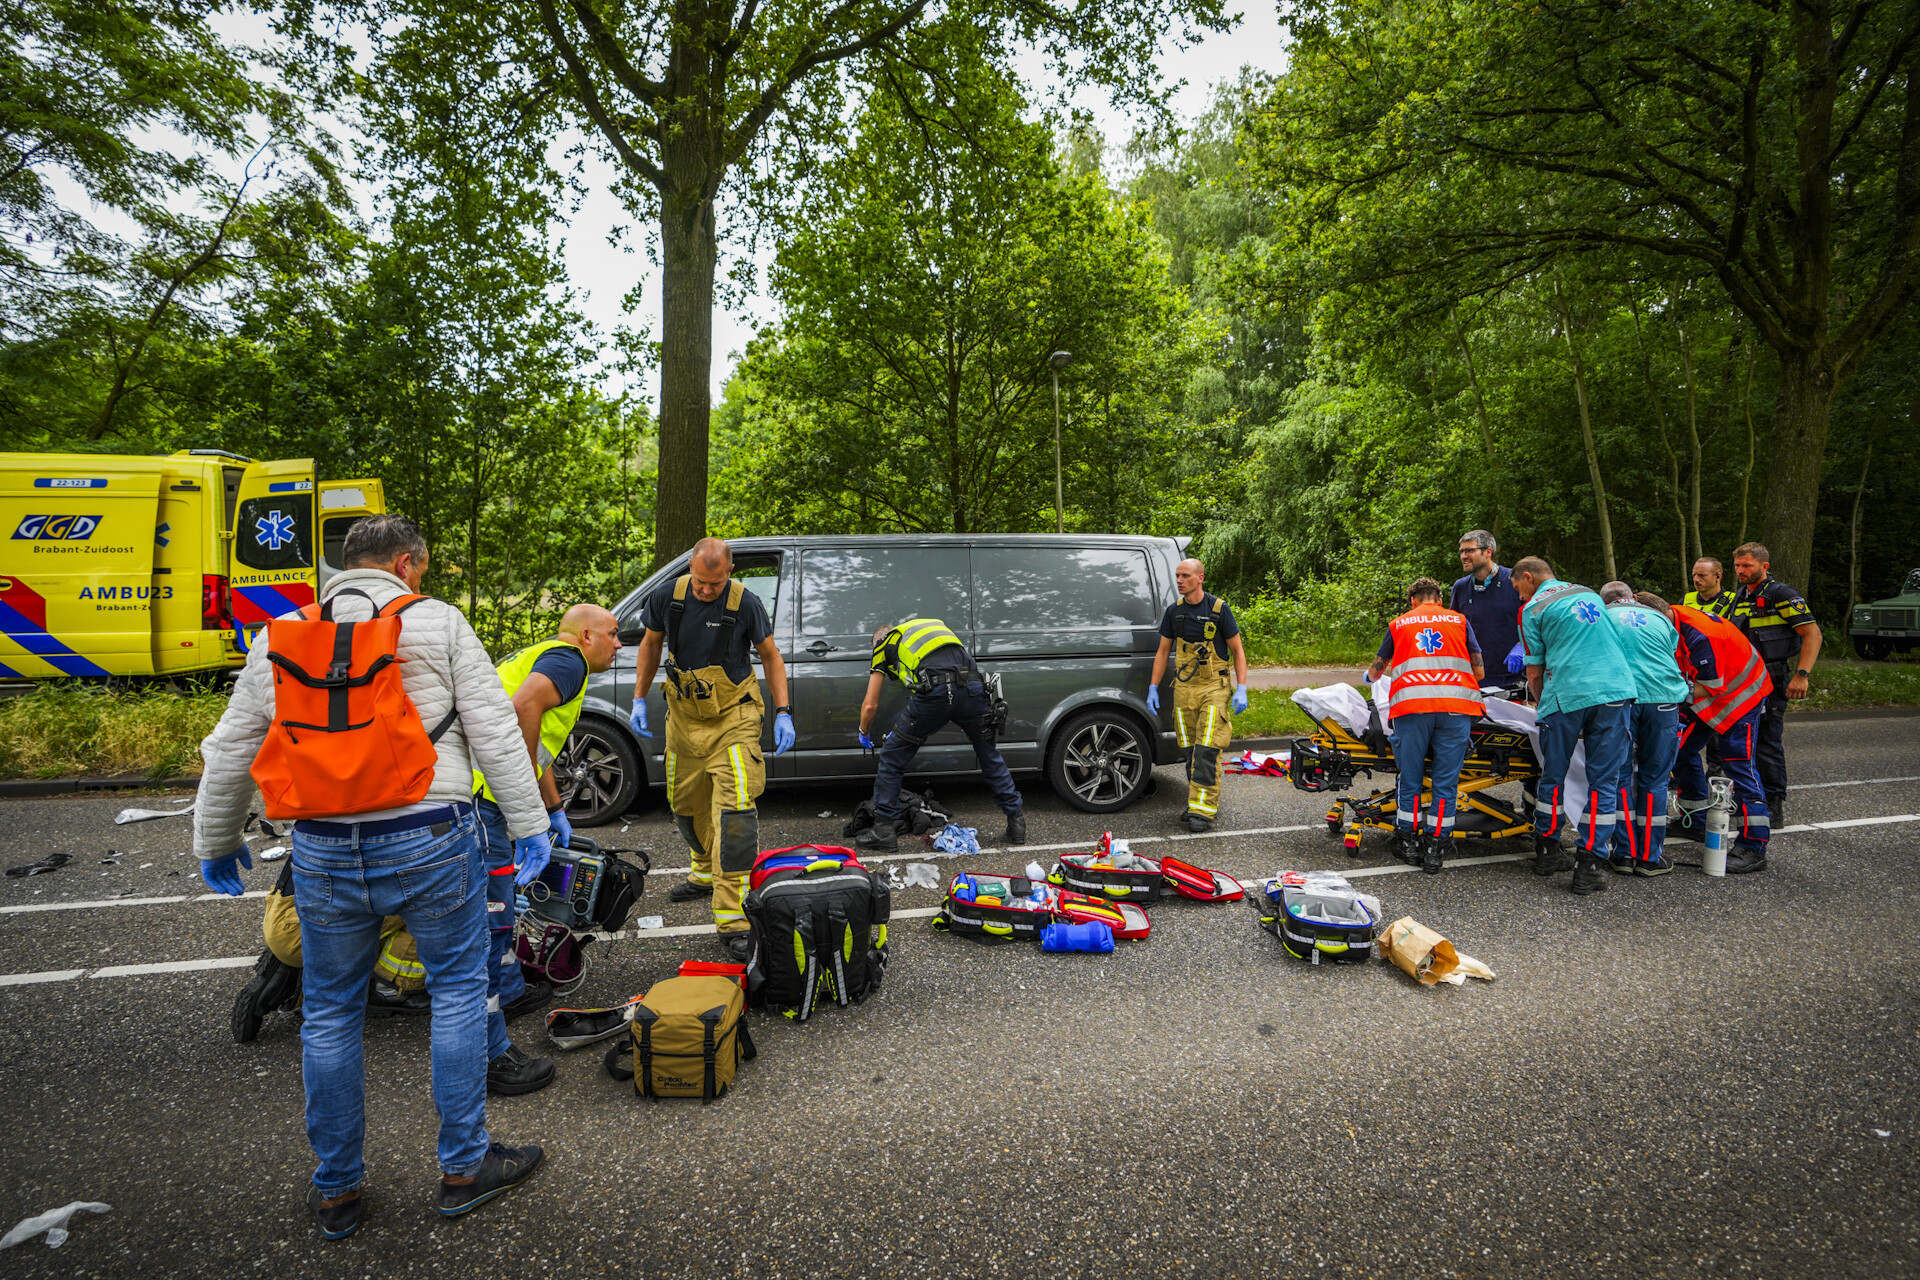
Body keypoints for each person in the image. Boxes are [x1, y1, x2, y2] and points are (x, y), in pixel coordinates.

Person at [193, 514, 551, 1238]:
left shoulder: (283, 633)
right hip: (429, 833)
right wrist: (531, 823)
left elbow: (231, 749)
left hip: (322, 845)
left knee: (329, 1012)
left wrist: (216, 837)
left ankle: (337, 1190)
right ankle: (462, 1167)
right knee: (456, 993)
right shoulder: (437, 622)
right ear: (407, 564)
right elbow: (493, 728)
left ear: (342, 567)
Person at [471, 603, 622, 1095]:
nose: (619, 644)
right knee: (493, 918)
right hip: (484, 797)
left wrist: (552, 804)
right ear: (586, 636)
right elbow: (522, 713)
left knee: (505, 906)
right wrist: (529, 803)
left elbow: (530, 742)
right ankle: (490, 1053)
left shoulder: (547, 655)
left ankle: (511, 990)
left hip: (483, 791)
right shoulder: (568, 661)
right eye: (613, 634)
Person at [627, 538, 794, 962]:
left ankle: (734, 917)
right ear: (690, 570)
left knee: (735, 811)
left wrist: (783, 711)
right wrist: (639, 697)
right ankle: (702, 872)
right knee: (684, 804)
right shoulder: (668, 596)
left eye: (714, 584)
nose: (705, 590)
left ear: (730, 572)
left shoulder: (746, 604)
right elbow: (649, 644)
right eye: (700, 582)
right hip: (684, 718)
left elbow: (771, 656)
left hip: (732, 718)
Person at [1512, 556, 1636, 896]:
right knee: (1604, 783)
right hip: (1612, 691)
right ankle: (1590, 865)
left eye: (1517, 588)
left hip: (1565, 695)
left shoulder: (1532, 610)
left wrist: (1542, 703)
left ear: (1528, 577)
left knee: (1553, 777)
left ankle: (1548, 853)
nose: (1518, 595)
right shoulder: (1590, 594)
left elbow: (1534, 672)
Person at [854, 618, 1025, 851]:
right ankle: (1016, 822)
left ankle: (883, 831)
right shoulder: (932, 627)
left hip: (936, 693)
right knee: (989, 754)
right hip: (973, 690)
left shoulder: (884, 645)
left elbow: (870, 705)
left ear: (878, 641)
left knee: (892, 756)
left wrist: (864, 731)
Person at [1362, 577, 1485, 874]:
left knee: (1410, 777)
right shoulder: (1459, 620)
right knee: (1446, 782)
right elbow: (1479, 671)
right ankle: (1436, 848)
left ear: (1413, 601)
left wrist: (1369, 677)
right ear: (1439, 599)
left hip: (1412, 710)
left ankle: (1407, 841)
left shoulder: (1399, 624)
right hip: (1456, 709)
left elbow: (1378, 672)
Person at [1666, 595, 1775, 873]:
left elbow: (1710, 686)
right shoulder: (1669, 619)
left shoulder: (1702, 634)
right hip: (1703, 692)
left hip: (1741, 696)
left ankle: (1754, 847)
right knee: (1678, 749)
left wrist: (1664, 690)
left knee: (1739, 766)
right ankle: (1696, 820)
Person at [1147, 558, 1250, 832]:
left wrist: (1242, 687)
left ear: (1200, 578)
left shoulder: (1218, 610)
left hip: (1213, 687)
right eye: (1177, 575)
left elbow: (1238, 651)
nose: (1180, 580)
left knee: (1207, 749)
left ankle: (1203, 812)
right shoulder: (1174, 612)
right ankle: (1197, 802)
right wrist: (1153, 687)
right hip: (1184, 689)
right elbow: (1162, 651)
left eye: (1186, 575)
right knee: (1190, 750)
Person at [1600, 584, 1688, 875]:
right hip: (1664, 700)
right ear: (1632, 598)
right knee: (1655, 779)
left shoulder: (1601, 616)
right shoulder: (1660, 617)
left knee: (1620, 777)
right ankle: (1650, 858)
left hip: (1623, 699)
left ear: (1605, 601)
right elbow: (1670, 652)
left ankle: (1624, 855)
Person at [1731, 542, 1821, 826]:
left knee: (1767, 742)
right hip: (1744, 680)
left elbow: (1813, 634)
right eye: (1737, 566)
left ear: (1764, 566)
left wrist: (1802, 675)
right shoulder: (1741, 596)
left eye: (1747, 566)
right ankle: (1749, 799)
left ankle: (1772, 806)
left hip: (1772, 679)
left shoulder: (1781, 594)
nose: (1741, 571)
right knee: (1742, 742)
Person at [1450, 530, 1526, 691]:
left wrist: (1523, 646)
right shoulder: (1461, 587)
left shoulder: (1514, 580)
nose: (1464, 556)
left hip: (1513, 676)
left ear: (1488, 552)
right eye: (1462, 551)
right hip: (1475, 676)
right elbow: (1455, 629)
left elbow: (1535, 620)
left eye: (1470, 550)